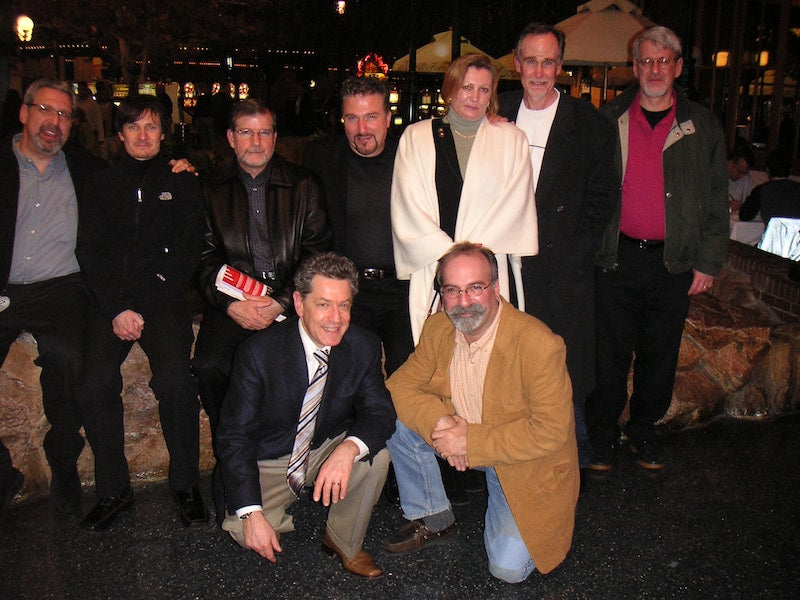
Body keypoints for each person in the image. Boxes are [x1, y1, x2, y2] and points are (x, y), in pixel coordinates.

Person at [384, 242, 578, 583]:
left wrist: (469, 441)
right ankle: (433, 517)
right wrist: (442, 422)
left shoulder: (538, 344)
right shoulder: (438, 328)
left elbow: (550, 431)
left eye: (476, 287)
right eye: (453, 291)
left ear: (496, 288)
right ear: (442, 294)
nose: (464, 302)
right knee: (397, 419)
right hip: (461, 437)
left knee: (508, 570)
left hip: (522, 463)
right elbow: (399, 386)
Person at [586, 26, 729, 472]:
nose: (654, 69)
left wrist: (708, 262)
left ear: (678, 67)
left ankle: (643, 430)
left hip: (672, 264)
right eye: (646, 61)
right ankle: (604, 434)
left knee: (660, 354)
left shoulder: (701, 126)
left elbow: (715, 198)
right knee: (608, 354)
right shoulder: (609, 119)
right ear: (634, 67)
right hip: (617, 258)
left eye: (664, 61)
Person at [216, 252, 395, 578]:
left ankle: (344, 541)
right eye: (324, 304)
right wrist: (252, 514)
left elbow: (379, 412)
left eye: (344, 305)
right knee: (246, 532)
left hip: (325, 444)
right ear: (299, 304)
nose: (336, 318)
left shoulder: (363, 345)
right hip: (270, 458)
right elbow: (234, 435)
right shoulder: (258, 353)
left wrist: (348, 449)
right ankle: (271, 512)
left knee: (375, 455)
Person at [193, 98, 330, 522]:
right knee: (212, 365)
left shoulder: (304, 184)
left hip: (291, 304)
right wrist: (232, 306)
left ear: (276, 138)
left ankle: (285, 461)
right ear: (231, 139)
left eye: (265, 132)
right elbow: (200, 258)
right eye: (247, 132)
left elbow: (317, 253)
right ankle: (234, 463)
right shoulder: (208, 188)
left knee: (304, 368)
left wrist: (279, 301)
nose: (257, 141)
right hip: (232, 307)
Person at [75, 94, 206, 531]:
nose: (143, 135)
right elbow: (90, 251)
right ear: (120, 134)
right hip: (110, 304)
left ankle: (186, 484)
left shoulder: (183, 182)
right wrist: (116, 308)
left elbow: (188, 250)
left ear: (164, 132)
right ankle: (114, 488)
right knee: (94, 384)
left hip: (162, 301)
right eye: (134, 127)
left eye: (151, 126)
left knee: (175, 382)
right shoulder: (100, 184)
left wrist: (144, 304)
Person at [498, 23, 618, 468]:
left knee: (563, 368)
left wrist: (577, 249)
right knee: (508, 366)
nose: (539, 70)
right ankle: (510, 460)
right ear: (516, 63)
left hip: (562, 268)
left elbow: (604, 197)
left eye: (548, 61)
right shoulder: (498, 111)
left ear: (560, 67)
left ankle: (573, 462)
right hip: (506, 268)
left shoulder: (590, 124)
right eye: (531, 60)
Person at [0, 79, 107, 520]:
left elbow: (136, 192)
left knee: (66, 358)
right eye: (47, 110)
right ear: (25, 113)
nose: (55, 122)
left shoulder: (86, 170)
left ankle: (64, 460)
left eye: (65, 115)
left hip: (60, 287)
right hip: (4, 284)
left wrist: (177, 170)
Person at [391, 52, 537, 344]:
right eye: (467, 87)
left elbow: (514, 207)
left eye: (484, 89)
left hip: (488, 272)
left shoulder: (512, 139)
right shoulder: (416, 138)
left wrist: (471, 262)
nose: (474, 97)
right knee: (439, 352)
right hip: (435, 267)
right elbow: (408, 206)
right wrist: (450, 259)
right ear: (451, 88)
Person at [303, 77, 413, 376]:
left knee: (405, 383)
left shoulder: (414, 153)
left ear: (388, 118)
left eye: (371, 117)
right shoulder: (321, 158)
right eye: (352, 118)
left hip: (402, 289)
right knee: (347, 379)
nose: (362, 129)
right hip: (348, 290)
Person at [739, 148, 800, 224]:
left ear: (767, 170)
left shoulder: (762, 190)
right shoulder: (797, 189)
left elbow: (744, 215)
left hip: (772, 234)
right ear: (790, 170)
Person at [727, 144, 756, 210]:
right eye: (739, 171)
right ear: (730, 163)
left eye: (745, 173)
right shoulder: (713, 177)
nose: (741, 176)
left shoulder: (748, 182)